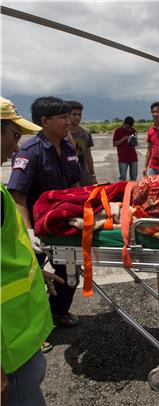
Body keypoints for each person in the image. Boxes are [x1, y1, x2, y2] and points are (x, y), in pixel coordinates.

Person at [1, 96, 64, 406]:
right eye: (13, 135)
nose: (16, 147)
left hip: (19, 345)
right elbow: (21, 195)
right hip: (7, 356)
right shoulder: (29, 155)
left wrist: (35, 267)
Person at [7, 96, 82, 330]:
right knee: (29, 280)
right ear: (45, 121)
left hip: (62, 226)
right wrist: (28, 234)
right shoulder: (30, 152)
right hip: (37, 228)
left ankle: (57, 313)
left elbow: (75, 186)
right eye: (62, 117)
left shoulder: (69, 148)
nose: (68, 121)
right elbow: (18, 196)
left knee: (69, 274)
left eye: (68, 116)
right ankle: (31, 328)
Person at [66, 100, 97, 186]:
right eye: (74, 114)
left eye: (79, 114)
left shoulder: (85, 133)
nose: (77, 117)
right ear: (67, 115)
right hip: (66, 176)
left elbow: (88, 155)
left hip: (83, 174)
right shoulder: (62, 134)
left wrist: (93, 175)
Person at [142, 101, 159, 177]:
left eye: (157, 112)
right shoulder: (151, 131)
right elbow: (149, 149)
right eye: (153, 112)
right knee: (152, 188)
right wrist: (145, 166)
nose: (155, 114)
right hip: (153, 167)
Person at [112, 116, 138, 181]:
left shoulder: (133, 130)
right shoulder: (118, 131)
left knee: (134, 178)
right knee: (122, 178)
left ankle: (132, 191)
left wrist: (133, 141)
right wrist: (124, 138)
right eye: (127, 127)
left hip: (133, 158)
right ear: (124, 123)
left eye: (130, 127)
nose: (129, 129)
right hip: (123, 158)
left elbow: (136, 144)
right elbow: (114, 144)